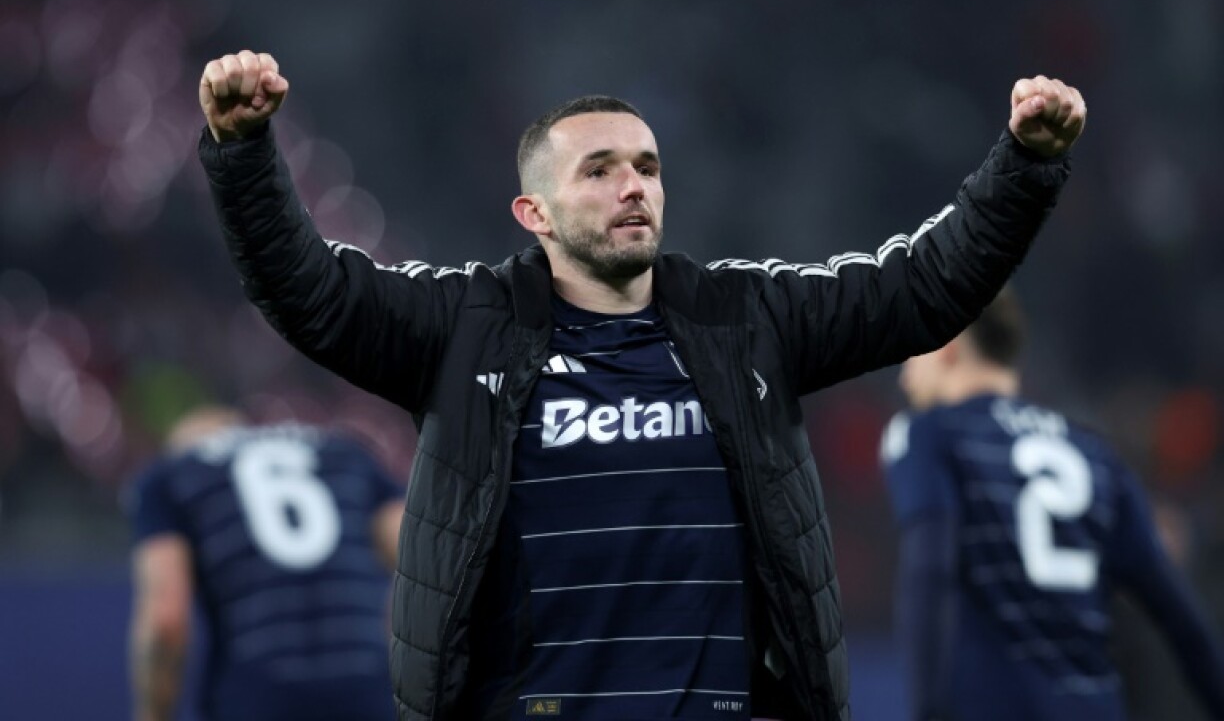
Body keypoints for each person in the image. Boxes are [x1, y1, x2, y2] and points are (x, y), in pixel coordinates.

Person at [196, 48, 1085, 721]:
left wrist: (1024, 166)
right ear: (533, 213)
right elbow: (312, 293)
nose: (634, 187)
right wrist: (242, 155)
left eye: (648, 167)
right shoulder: (464, 326)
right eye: (601, 170)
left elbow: (917, 290)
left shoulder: (745, 317)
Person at [879, 289, 1224, 721]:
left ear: (948, 347)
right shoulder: (1094, 455)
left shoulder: (930, 434)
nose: (904, 376)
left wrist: (926, 710)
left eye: (911, 352)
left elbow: (929, 571)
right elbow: (1180, 618)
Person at [125, 406, 405, 721]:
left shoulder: (171, 477)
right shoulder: (348, 455)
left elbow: (166, 620)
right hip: (369, 694)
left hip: (254, 695)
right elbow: (423, 564)